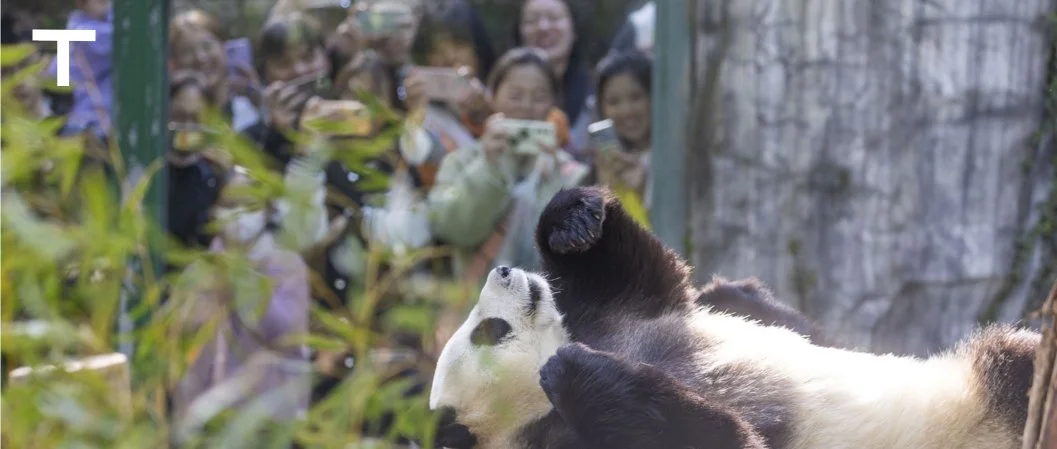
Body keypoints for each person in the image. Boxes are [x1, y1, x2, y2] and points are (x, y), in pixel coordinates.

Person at [170, 167, 312, 445]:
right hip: (205, 414)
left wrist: (244, 283)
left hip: (268, 417)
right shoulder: (198, 271)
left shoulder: (286, 266)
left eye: (250, 205)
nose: (239, 215)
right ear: (213, 211)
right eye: (229, 204)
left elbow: (286, 334)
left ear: (268, 211)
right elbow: (179, 340)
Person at [427, 47, 589, 282]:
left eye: (540, 96)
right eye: (515, 95)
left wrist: (553, 177)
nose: (527, 105)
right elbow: (455, 230)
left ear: (554, 102)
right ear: (492, 96)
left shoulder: (571, 175)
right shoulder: (459, 162)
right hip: (478, 310)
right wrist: (489, 167)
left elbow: (575, 254)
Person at [513, 0, 595, 160]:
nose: (543, 27)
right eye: (532, 20)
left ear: (574, 29)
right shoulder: (499, 94)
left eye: (554, 18)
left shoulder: (596, 95)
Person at [169, 9, 262, 133]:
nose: (200, 58)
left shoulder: (246, 110)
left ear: (224, 46)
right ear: (175, 61)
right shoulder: (174, 113)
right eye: (187, 51)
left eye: (207, 46)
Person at [165, 72, 227, 252]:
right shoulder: (151, 165)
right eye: (178, 116)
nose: (187, 127)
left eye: (196, 119)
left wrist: (223, 181)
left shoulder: (211, 172)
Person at [591, 51, 652, 203]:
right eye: (613, 102)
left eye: (636, 97)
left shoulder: (676, 160)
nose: (626, 111)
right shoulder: (601, 166)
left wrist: (645, 191)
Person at [50, 0, 113, 139]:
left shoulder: (74, 30)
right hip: (89, 125)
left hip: (95, 123)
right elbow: (123, 37)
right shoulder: (85, 34)